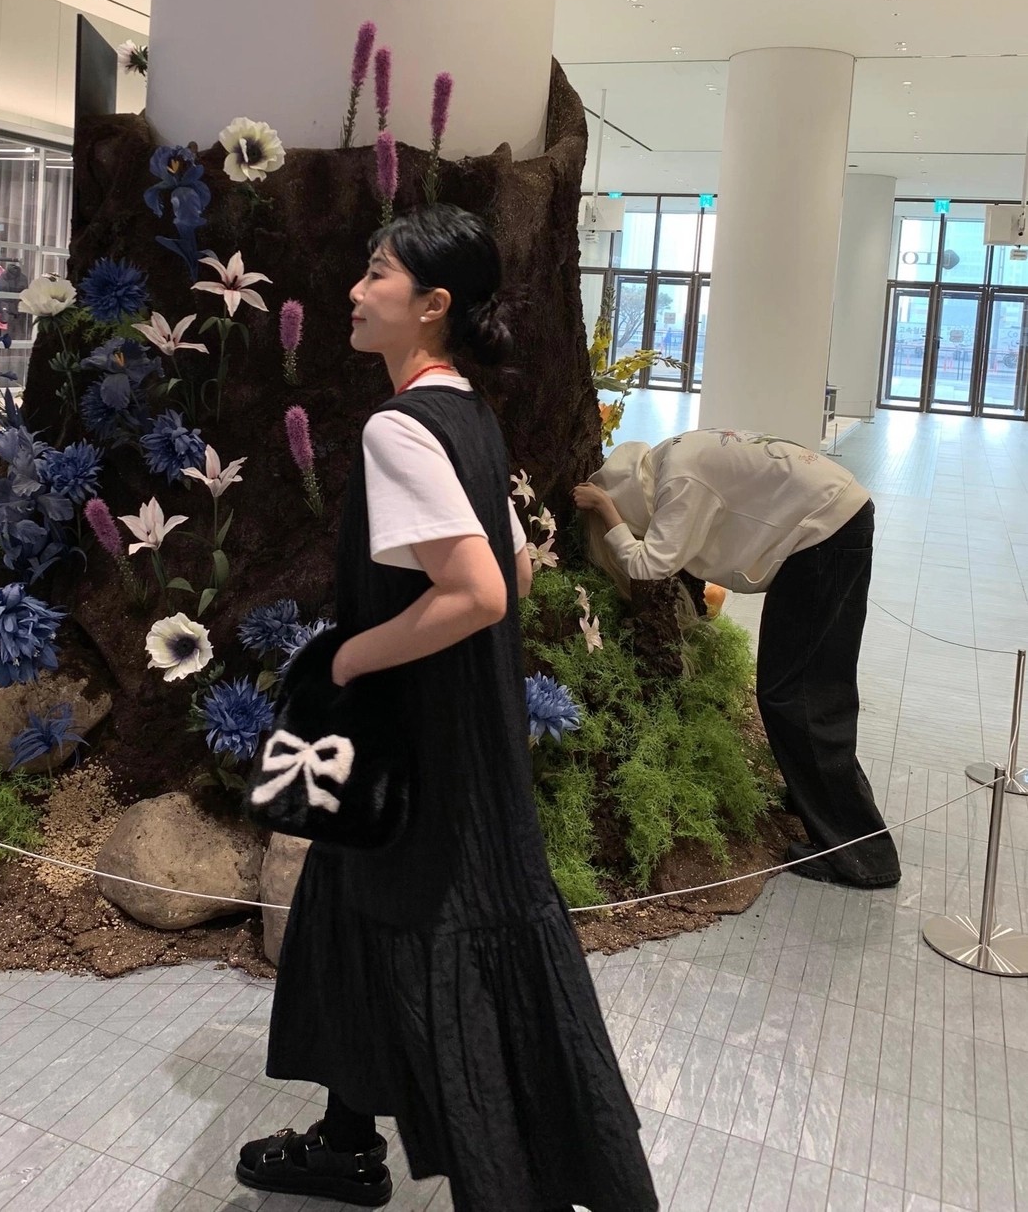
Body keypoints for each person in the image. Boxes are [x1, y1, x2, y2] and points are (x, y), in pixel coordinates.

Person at [239, 207, 656, 1211]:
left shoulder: (397, 427)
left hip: (419, 749)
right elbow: (519, 562)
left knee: (442, 955)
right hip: (461, 737)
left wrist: (346, 658)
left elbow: (479, 591)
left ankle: (500, 1185)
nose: (353, 291)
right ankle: (347, 1142)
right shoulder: (468, 411)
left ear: (432, 304)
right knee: (352, 912)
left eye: (376, 274)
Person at [574, 430, 900, 890]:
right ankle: (824, 804)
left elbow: (650, 565)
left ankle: (860, 853)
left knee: (795, 693)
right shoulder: (671, 456)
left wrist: (609, 514)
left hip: (822, 535)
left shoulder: (679, 483)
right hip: (834, 519)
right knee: (819, 684)